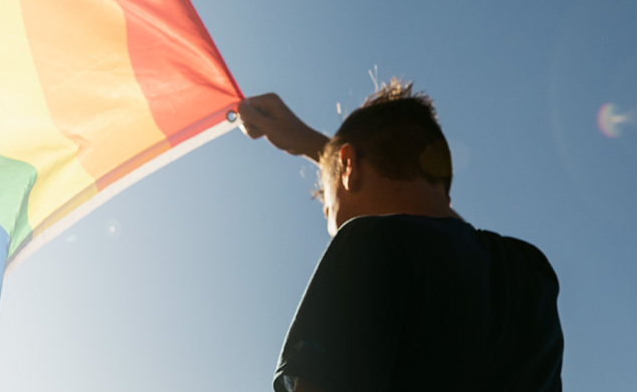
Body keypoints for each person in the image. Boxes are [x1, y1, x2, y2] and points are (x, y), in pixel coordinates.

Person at [238, 80, 564, 392]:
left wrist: (322, 151)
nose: (329, 219)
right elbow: (446, 228)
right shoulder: (531, 271)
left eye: (327, 203)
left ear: (349, 166)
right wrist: (319, 149)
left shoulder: (367, 243)